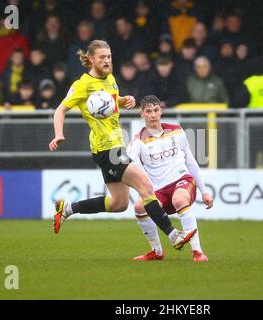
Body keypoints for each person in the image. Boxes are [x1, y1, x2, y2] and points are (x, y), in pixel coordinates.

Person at [49, 40, 196, 251]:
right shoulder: (82, 85)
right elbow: (60, 110)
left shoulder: (110, 78)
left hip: (114, 146)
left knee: (119, 203)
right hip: (107, 149)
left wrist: (124, 100)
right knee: (146, 187)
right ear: (90, 59)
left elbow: (108, 102)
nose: (107, 60)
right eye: (102, 57)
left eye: (109, 56)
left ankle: (67, 209)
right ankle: (174, 235)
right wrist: (58, 134)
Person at [127, 95, 213, 262]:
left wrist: (205, 192)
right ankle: (157, 251)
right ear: (142, 114)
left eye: (156, 110)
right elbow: (133, 169)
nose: (153, 115)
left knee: (179, 200)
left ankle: (198, 252)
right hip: (158, 190)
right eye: (148, 111)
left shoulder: (176, 130)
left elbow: (190, 160)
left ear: (161, 111)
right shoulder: (137, 142)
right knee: (139, 207)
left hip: (182, 180)